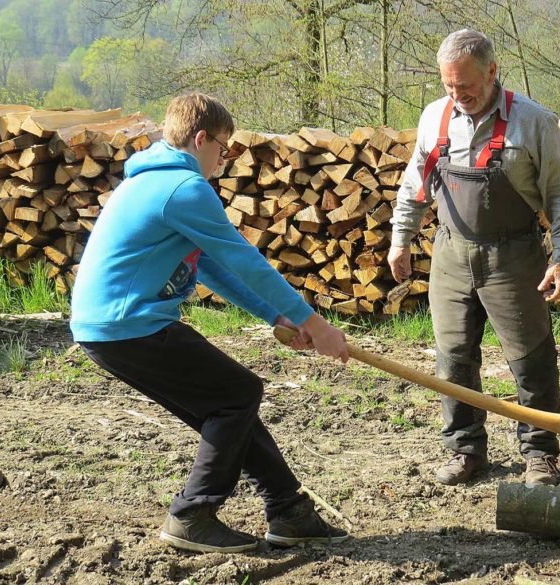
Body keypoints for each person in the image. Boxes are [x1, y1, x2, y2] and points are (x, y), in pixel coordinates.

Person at [70, 93, 350, 553]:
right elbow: (246, 260)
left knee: (229, 406)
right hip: (129, 325)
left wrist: (277, 316)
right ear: (201, 139)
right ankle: (192, 514)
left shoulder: (155, 182)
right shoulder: (184, 189)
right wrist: (314, 323)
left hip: (110, 328)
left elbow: (215, 268)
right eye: (224, 147)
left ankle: (288, 510)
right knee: (237, 395)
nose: (224, 159)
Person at [388, 30, 560, 487]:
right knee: (453, 358)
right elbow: (416, 183)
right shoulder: (435, 117)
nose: (458, 96)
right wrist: (401, 238)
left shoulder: (533, 122)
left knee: (530, 359)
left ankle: (540, 454)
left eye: (466, 86)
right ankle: (464, 448)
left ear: (493, 72)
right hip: (451, 251)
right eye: (449, 86)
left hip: (514, 255)